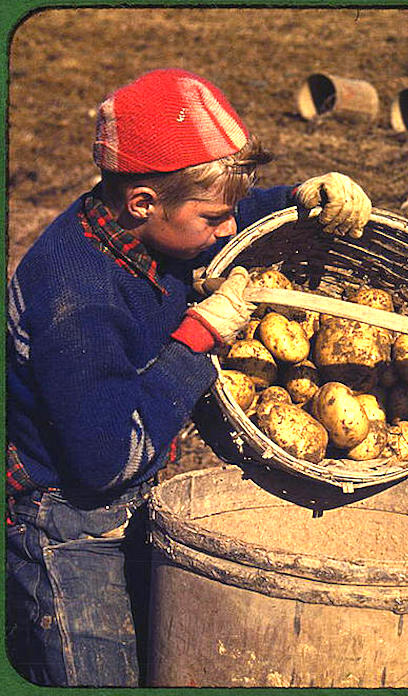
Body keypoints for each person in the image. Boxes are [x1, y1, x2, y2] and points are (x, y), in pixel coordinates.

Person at [5, 68, 372, 687]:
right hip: (65, 514)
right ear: (142, 203)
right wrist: (197, 341)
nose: (229, 232)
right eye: (216, 218)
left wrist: (296, 200)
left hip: (129, 489)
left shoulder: (144, 223)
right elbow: (104, 462)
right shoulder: (79, 299)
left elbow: (212, 212)